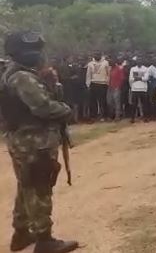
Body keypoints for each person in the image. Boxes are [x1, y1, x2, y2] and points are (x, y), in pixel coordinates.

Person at [0, 32, 79, 253]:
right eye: (33, 53)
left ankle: (22, 233)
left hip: (24, 139)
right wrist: (66, 110)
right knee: (39, 185)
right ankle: (44, 240)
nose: (38, 57)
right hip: (33, 140)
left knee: (26, 185)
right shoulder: (22, 77)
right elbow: (43, 107)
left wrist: (50, 82)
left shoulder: (17, 74)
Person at [86, 52, 110, 121]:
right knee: (92, 102)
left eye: (98, 55)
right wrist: (88, 85)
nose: (97, 56)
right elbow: (88, 75)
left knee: (103, 101)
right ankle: (93, 117)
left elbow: (108, 73)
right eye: (95, 55)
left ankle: (104, 116)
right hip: (93, 83)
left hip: (103, 84)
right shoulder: (90, 64)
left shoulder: (106, 63)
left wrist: (107, 83)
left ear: (101, 55)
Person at [129, 58, 149, 123]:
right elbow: (131, 79)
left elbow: (146, 78)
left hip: (143, 89)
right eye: (138, 61)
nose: (139, 62)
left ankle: (145, 117)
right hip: (134, 89)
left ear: (142, 61)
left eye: (140, 60)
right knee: (133, 105)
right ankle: (132, 118)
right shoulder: (133, 69)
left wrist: (137, 78)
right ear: (136, 62)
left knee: (144, 105)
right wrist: (141, 78)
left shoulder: (145, 69)